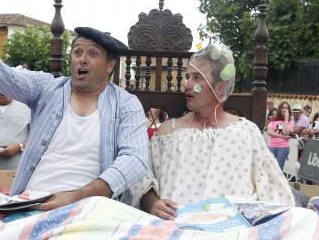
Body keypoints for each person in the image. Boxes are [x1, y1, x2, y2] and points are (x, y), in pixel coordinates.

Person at [0, 0, 147, 210]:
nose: (82, 59)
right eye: (78, 52)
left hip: (90, 209)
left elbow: (135, 159)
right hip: (32, 203)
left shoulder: (126, 104)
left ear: (110, 65)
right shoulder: (47, 89)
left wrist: (79, 196)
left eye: (92, 54)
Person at [124, 44, 294, 218]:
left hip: (233, 234)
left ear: (220, 88)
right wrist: (152, 203)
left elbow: (273, 188)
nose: (187, 85)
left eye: (197, 78)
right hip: (174, 229)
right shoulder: (168, 132)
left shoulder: (246, 132)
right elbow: (140, 178)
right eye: (187, 77)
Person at [267, 101, 293, 170]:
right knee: (270, 168)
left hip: (283, 147)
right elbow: (269, 132)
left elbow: (286, 133)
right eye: (283, 107)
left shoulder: (290, 121)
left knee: (278, 169)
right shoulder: (273, 119)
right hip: (272, 146)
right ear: (280, 109)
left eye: (286, 108)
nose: (284, 109)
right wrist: (283, 137)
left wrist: (286, 119)